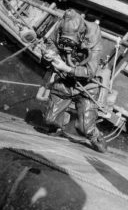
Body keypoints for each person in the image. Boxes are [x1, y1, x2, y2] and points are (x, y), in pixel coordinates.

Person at [42, 8, 106, 153]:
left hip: (86, 86)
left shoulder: (93, 34)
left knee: (85, 128)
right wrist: (49, 53)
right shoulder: (61, 26)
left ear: (81, 32)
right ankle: (57, 129)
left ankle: (98, 140)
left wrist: (67, 68)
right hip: (64, 82)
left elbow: (90, 71)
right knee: (49, 120)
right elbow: (51, 43)